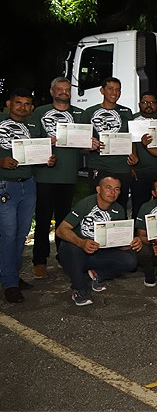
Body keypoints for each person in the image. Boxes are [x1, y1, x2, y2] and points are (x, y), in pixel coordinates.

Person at [1, 88, 55, 303]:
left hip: (28, 184)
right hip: (5, 185)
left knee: (21, 234)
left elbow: (39, 152)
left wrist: (47, 159)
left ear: (31, 108)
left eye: (26, 104)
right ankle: (10, 283)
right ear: (8, 103)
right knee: (7, 234)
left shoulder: (33, 125)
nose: (22, 107)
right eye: (18, 103)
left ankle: (10, 274)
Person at [55, 174, 141, 306]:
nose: (113, 192)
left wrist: (132, 242)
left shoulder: (119, 210)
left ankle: (98, 274)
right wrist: (81, 243)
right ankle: (79, 289)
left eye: (117, 189)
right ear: (98, 189)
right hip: (77, 253)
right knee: (70, 247)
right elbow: (61, 230)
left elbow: (119, 243)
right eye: (108, 188)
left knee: (131, 260)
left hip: (99, 253)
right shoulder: (86, 204)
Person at [30, 77, 83, 279]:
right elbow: (31, 139)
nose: (64, 92)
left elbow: (85, 141)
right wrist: (46, 141)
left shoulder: (78, 113)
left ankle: (64, 256)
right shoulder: (39, 112)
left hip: (68, 175)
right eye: (60, 89)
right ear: (52, 92)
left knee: (64, 220)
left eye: (67, 89)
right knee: (43, 219)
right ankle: (40, 260)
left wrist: (91, 143)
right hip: (45, 174)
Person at [80, 77, 136, 210]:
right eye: (110, 89)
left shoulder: (127, 112)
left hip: (122, 167)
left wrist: (134, 155)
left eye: (118, 90)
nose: (114, 93)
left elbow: (132, 138)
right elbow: (80, 143)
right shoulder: (89, 112)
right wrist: (88, 145)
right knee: (97, 205)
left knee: (120, 205)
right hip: (99, 166)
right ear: (102, 90)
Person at [130, 91, 157, 221]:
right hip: (140, 172)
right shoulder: (132, 121)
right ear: (139, 104)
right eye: (145, 102)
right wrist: (131, 166)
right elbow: (127, 144)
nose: (149, 105)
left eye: (152, 102)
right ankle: (138, 235)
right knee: (139, 207)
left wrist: (147, 145)